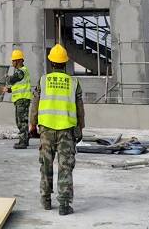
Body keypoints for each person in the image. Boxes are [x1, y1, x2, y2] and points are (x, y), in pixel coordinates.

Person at [29, 43, 85, 216]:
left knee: (45, 165)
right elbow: (79, 108)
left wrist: (32, 123)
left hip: (46, 130)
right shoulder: (74, 82)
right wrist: (80, 128)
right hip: (67, 131)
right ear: (65, 63)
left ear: (51, 62)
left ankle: (46, 201)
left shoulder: (43, 80)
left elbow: (35, 104)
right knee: (65, 167)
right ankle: (64, 205)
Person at [2, 48, 32, 149]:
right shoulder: (21, 72)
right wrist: (9, 90)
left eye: (13, 60)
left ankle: (23, 142)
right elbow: (17, 85)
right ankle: (25, 140)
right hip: (20, 99)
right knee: (20, 120)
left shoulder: (21, 71)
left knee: (21, 121)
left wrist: (6, 77)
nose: (12, 62)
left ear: (19, 61)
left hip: (22, 100)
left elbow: (13, 79)